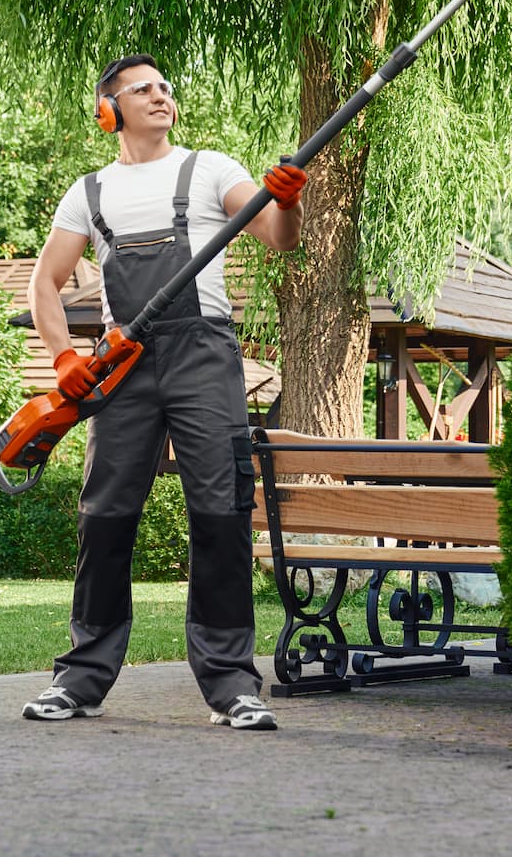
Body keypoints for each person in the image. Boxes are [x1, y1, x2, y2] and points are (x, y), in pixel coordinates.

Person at [20, 54, 305, 730]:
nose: (160, 96)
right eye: (141, 89)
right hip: (122, 366)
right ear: (107, 110)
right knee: (105, 516)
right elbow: (44, 286)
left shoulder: (210, 169)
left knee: (221, 511)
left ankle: (233, 684)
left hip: (202, 354)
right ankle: (80, 679)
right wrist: (64, 358)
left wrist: (287, 201)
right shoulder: (87, 193)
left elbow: (278, 239)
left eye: (165, 87)